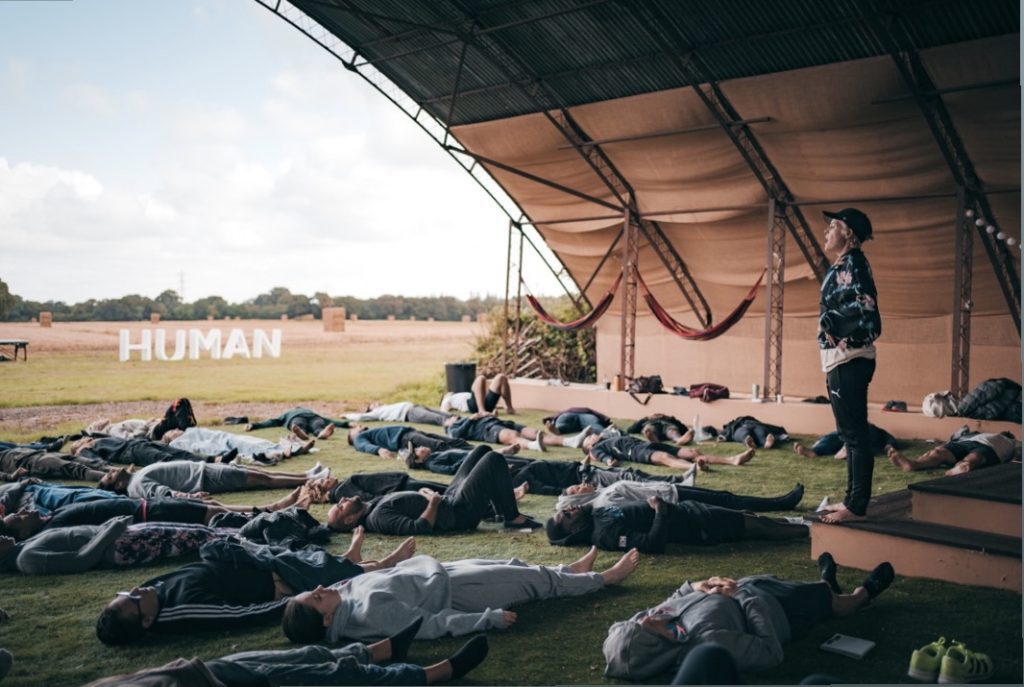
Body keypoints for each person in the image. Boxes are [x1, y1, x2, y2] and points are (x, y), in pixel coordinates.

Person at [601, 554, 895, 680]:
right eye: (645, 626)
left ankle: (827, 583)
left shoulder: (651, 623)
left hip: (750, 587)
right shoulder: (708, 644)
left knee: (819, 592)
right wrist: (741, 596)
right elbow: (770, 652)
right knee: (837, 606)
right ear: (654, 646)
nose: (648, 617)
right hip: (779, 610)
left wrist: (697, 586)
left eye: (639, 620)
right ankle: (864, 593)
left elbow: (671, 602)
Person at [94, 531, 416, 645]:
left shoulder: (151, 594)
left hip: (251, 561)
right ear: (147, 621)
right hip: (273, 580)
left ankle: (356, 559)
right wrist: (292, 601)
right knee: (328, 573)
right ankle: (385, 564)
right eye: (133, 599)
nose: (137, 591)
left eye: (128, 592)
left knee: (313, 556)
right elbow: (239, 615)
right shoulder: (182, 611)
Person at [281, 547, 640, 643]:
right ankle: (603, 579)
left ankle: (570, 571)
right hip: (456, 592)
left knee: (513, 564)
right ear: (328, 619)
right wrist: (487, 620)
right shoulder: (369, 616)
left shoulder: (342, 598)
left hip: (438, 572)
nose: (318, 590)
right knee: (530, 581)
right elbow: (432, 624)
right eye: (315, 599)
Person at [85, 622, 488, 686]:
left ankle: (382, 649)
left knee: (313, 654)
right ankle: (436, 674)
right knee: (336, 677)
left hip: (201, 670)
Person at [816, 208, 881, 524]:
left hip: (849, 360)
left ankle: (856, 505)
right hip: (844, 361)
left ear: (849, 233)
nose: (827, 231)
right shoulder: (845, 264)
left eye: (833, 226)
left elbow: (867, 315)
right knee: (850, 434)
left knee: (854, 436)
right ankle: (851, 500)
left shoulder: (853, 264)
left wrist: (837, 327)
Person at [325, 447, 542, 535]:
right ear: (350, 519)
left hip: (449, 499)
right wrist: (433, 502)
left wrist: (426, 495)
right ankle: (513, 518)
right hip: (458, 512)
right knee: (494, 459)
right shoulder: (379, 518)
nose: (342, 498)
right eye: (340, 506)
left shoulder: (371, 506)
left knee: (481, 451)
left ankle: (499, 512)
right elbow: (420, 528)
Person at [545, 496, 808, 553]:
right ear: (575, 531)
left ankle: (810, 527)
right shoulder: (605, 534)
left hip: (692, 510)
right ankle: (817, 534)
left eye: (565, 510)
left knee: (753, 517)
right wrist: (660, 509)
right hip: (700, 525)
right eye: (566, 516)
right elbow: (652, 544)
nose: (569, 509)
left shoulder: (594, 515)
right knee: (761, 527)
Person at [0, 517, 234, 574]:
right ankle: (250, 538)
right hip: (122, 546)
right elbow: (81, 561)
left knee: (200, 531)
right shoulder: (28, 559)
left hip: (122, 535)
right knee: (199, 537)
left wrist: (110, 527)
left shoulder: (24, 546)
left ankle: (245, 533)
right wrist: (110, 530)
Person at [98, 460, 328, 500]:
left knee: (256, 473)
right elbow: (162, 493)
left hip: (204, 469)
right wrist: (190, 496)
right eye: (110, 476)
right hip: (204, 478)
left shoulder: (135, 476)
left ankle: (306, 475)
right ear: (118, 485)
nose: (111, 471)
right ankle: (307, 480)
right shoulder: (137, 485)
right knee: (260, 478)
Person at [554, 479, 805, 514]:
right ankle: (781, 504)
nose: (581, 485)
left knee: (727, 498)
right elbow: (642, 507)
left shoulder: (602, 493)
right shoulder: (605, 502)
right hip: (676, 499)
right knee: (729, 502)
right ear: (576, 500)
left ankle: (779, 503)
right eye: (576, 489)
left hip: (672, 489)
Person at [582, 433, 754, 472]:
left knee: (692, 451)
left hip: (648, 443)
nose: (592, 435)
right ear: (589, 447)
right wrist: (608, 462)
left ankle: (732, 460)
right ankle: (694, 468)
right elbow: (606, 459)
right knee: (665, 458)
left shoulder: (608, 437)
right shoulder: (596, 450)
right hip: (636, 451)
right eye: (589, 437)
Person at [887, 431, 1020, 476]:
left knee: (976, 457)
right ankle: (912, 464)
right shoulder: (984, 434)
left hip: (990, 448)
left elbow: (1017, 455)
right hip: (967, 442)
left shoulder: (1012, 442)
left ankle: (963, 466)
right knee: (938, 452)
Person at [164, 427, 314, 464]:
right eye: (172, 431)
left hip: (221, 436)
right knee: (241, 445)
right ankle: (289, 450)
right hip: (216, 443)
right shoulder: (176, 443)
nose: (176, 430)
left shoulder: (190, 430)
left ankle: (287, 447)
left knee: (251, 441)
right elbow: (197, 447)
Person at [445, 414, 591, 452]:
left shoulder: (463, 419)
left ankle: (570, 442)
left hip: (501, 423)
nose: (453, 417)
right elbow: (457, 434)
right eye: (450, 418)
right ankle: (534, 446)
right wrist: (471, 419)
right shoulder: (453, 428)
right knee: (512, 436)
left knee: (535, 431)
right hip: (488, 431)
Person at [70, 436, 217, 466]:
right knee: (166, 460)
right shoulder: (86, 449)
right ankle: (203, 468)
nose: (82, 440)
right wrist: (81, 451)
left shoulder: (96, 439)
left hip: (139, 443)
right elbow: (98, 462)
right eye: (78, 442)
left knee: (179, 452)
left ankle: (214, 460)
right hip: (131, 451)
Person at [347, 424, 471, 460]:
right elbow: (363, 446)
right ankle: (473, 457)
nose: (358, 426)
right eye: (354, 429)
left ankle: (481, 452)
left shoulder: (368, 433)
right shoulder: (358, 438)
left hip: (412, 432)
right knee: (440, 446)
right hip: (405, 438)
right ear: (353, 436)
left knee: (455, 442)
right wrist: (379, 450)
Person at [0, 447, 109, 483]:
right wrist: (11, 476)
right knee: (75, 469)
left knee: (87, 462)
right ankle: (112, 479)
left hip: (41, 454)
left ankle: (119, 471)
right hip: (32, 463)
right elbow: (3, 475)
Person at [794, 423, 898, 460]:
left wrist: (889, 447)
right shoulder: (846, 428)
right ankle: (814, 451)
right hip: (847, 434)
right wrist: (819, 442)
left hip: (863, 436)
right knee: (835, 437)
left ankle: (849, 448)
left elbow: (889, 439)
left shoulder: (874, 430)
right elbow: (830, 436)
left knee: (857, 436)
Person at [245, 406, 349, 440]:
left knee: (298, 425)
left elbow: (273, 421)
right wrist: (346, 424)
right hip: (315, 418)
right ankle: (322, 433)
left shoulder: (288, 413)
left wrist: (254, 425)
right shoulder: (310, 411)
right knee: (318, 426)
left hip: (295, 418)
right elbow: (330, 421)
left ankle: (301, 433)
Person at [440, 373, 515, 415]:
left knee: (501, 377)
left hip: (485, 404)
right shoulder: (448, 399)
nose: (449, 392)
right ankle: (482, 411)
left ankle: (510, 408)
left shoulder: (458, 395)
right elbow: (443, 410)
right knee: (480, 378)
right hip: (472, 406)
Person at [345, 401, 453, 427]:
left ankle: (458, 419)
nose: (376, 403)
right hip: (409, 413)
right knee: (436, 417)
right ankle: (450, 423)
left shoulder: (385, 406)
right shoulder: (376, 412)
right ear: (371, 409)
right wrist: (346, 415)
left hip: (415, 406)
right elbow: (361, 417)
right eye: (372, 404)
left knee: (442, 413)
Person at [716, 416, 790, 449]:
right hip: (755, 425)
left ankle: (747, 439)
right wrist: (780, 435)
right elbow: (769, 426)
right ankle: (766, 442)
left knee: (743, 434)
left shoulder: (733, 425)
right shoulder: (753, 421)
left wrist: (723, 436)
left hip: (741, 428)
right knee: (761, 434)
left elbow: (724, 434)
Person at [625, 414, 694, 445]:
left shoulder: (668, 419)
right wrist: (645, 418)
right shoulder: (646, 420)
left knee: (672, 431)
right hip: (652, 425)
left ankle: (679, 440)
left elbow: (684, 429)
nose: (657, 415)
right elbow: (631, 430)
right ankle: (653, 438)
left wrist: (670, 418)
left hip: (667, 426)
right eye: (655, 415)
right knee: (650, 429)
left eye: (659, 414)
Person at [543, 407, 614, 436]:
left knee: (563, 425)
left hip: (565, 416)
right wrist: (607, 420)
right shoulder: (588, 411)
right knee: (595, 425)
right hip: (586, 415)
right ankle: (609, 433)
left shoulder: (564, 412)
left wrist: (551, 419)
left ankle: (557, 429)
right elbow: (603, 418)